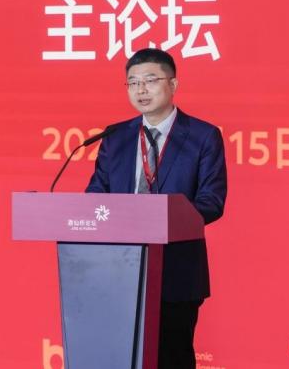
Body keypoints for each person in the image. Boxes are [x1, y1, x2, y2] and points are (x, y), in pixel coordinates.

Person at [86, 48, 227, 369]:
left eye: (150, 80)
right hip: (119, 270)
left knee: (172, 358)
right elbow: (96, 193)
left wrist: (163, 218)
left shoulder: (203, 136)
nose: (141, 90)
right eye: (133, 82)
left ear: (173, 84)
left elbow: (212, 201)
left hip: (176, 270)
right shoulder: (116, 136)